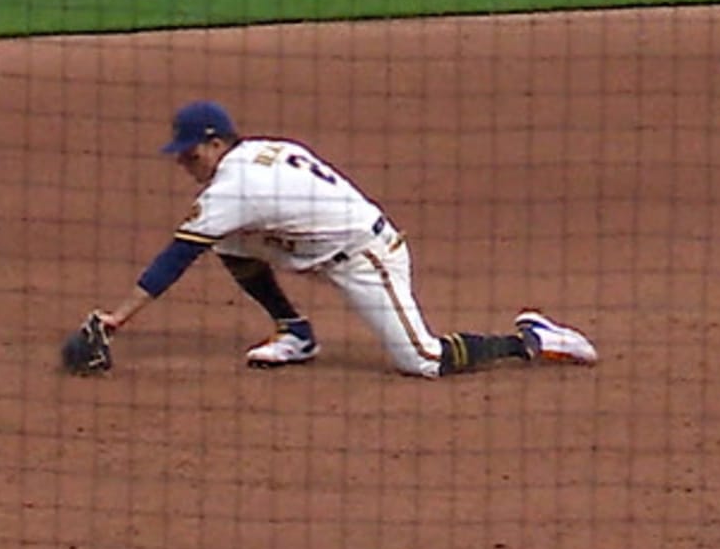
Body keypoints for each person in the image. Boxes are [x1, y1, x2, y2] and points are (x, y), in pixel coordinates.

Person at [88, 101, 598, 377]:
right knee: (228, 240)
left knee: (422, 361)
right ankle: (297, 333)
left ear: (216, 143)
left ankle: (532, 339)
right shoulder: (261, 152)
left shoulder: (234, 187)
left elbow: (173, 260)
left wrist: (118, 317)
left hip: (367, 256)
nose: (183, 162)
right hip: (316, 247)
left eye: (190, 153)